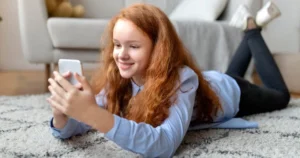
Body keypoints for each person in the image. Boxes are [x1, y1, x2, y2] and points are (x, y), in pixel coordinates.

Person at [47, 1, 290, 157]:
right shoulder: (119, 78)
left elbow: (164, 144)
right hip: (211, 83)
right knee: (231, 72)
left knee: (281, 96)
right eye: (117, 45)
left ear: (158, 50)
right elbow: (75, 127)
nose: (121, 54)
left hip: (233, 91)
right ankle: (249, 30)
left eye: (133, 46)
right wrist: (62, 113)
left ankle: (252, 30)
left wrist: (92, 113)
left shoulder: (182, 80)